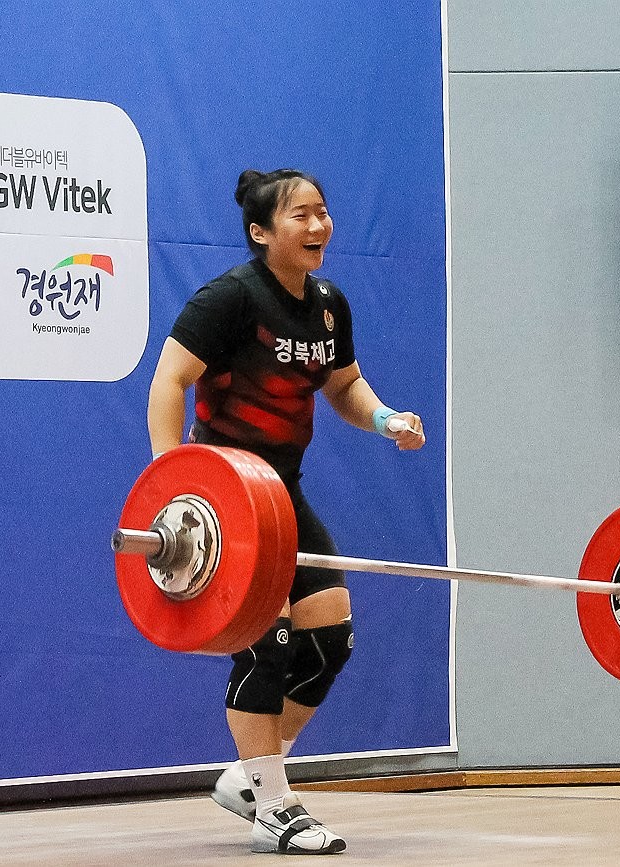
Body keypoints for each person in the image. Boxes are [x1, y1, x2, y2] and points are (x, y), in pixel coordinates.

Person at [147, 168, 424, 855]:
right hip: (227, 495)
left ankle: (250, 776)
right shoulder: (231, 299)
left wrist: (386, 418)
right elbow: (169, 379)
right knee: (263, 642)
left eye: (323, 213)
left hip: (283, 495)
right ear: (261, 231)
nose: (318, 226)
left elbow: (345, 385)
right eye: (301, 215)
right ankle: (275, 803)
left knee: (328, 641)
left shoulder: (329, 304)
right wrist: (171, 481)